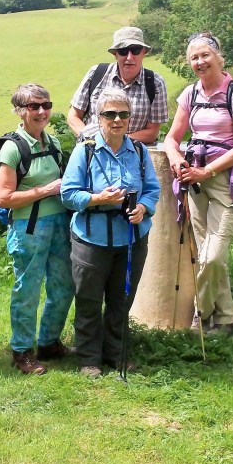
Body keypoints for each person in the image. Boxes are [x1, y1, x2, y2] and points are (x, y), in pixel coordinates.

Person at [61, 88, 161, 378]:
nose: (117, 119)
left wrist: (143, 207)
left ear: (129, 118)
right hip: (91, 238)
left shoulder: (140, 151)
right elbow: (68, 194)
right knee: (89, 300)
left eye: (123, 114)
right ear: (99, 117)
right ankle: (89, 358)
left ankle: (116, 354)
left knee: (121, 299)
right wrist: (97, 199)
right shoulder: (86, 150)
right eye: (110, 114)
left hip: (131, 239)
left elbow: (153, 190)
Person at [164, 31, 233, 336]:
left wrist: (208, 171)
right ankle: (226, 320)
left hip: (226, 181)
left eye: (205, 55)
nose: (200, 62)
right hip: (194, 180)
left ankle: (200, 318)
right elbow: (171, 138)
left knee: (211, 256)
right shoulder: (189, 94)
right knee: (207, 254)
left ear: (219, 57)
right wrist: (177, 160)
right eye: (194, 57)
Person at [0, 84, 75, 376]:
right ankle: (22, 352)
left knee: (64, 285)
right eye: (33, 106)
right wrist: (45, 190)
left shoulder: (52, 142)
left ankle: (49, 343)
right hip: (28, 226)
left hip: (59, 224)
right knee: (27, 290)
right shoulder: (12, 148)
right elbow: (4, 197)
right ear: (20, 110)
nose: (41, 111)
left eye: (46, 105)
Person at [68, 26, 168, 145]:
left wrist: (116, 141)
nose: (129, 57)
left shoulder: (155, 83)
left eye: (135, 50)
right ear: (115, 54)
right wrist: (89, 139)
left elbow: (152, 133)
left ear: (143, 53)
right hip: (93, 151)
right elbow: (73, 115)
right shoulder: (96, 73)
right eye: (123, 51)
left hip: (131, 156)